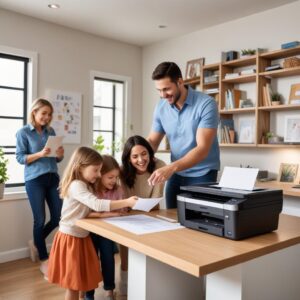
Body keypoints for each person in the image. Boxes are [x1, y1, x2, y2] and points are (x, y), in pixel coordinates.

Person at [47, 147, 137, 300]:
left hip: (81, 237)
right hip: (71, 239)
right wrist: (126, 201)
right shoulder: (77, 185)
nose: (99, 174)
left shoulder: (85, 185)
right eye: (96, 170)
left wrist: (112, 213)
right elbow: (96, 204)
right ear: (80, 167)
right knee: (73, 286)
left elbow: (86, 212)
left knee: (80, 281)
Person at [147, 61, 220, 208]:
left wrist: (171, 168)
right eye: (159, 90)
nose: (163, 95)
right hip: (176, 174)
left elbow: (202, 149)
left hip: (202, 173)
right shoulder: (161, 107)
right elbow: (152, 142)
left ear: (180, 82)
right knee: (172, 218)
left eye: (166, 89)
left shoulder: (206, 104)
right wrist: (134, 158)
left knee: (200, 221)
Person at [16, 98, 64, 275]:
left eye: (49, 114)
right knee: (39, 219)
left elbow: (56, 158)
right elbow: (20, 158)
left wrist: (59, 154)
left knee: (59, 217)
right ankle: (44, 258)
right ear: (34, 112)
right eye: (44, 113)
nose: (47, 117)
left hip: (53, 177)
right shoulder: (23, 132)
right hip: (35, 180)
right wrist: (39, 153)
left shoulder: (50, 131)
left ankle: (36, 241)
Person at [119, 135, 166, 294]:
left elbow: (156, 199)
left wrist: (137, 207)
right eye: (135, 156)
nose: (141, 159)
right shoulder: (122, 171)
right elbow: (124, 201)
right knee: (125, 243)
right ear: (128, 159)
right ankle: (124, 276)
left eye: (144, 153)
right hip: (129, 214)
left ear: (150, 153)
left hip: (152, 212)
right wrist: (128, 207)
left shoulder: (160, 166)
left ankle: (152, 281)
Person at [84, 155, 126, 300]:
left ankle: (109, 290)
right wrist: (107, 214)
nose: (114, 180)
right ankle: (89, 293)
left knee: (108, 259)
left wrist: (122, 211)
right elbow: (86, 213)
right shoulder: (90, 190)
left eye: (116, 177)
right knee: (91, 261)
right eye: (110, 177)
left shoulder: (118, 190)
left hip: (108, 232)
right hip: (90, 233)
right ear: (100, 174)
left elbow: (121, 210)